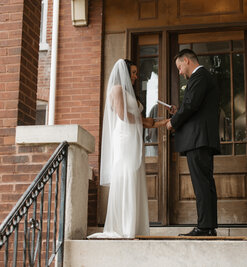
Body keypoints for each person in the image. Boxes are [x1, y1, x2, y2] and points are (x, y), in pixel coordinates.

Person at [88, 59, 167, 239]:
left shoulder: (129, 92)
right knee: (126, 174)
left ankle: (134, 225)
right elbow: (123, 116)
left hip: (134, 137)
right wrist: (147, 121)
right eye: (133, 72)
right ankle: (124, 226)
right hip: (124, 138)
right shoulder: (116, 90)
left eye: (136, 73)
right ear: (123, 72)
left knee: (135, 175)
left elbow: (143, 120)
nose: (136, 76)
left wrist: (164, 122)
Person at [166, 49, 220, 236]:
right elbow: (194, 106)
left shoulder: (200, 76)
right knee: (206, 183)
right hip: (201, 139)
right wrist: (178, 112)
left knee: (202, 184)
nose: (180, 72)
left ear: (187, 61)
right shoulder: (202, 78)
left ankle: (204, 227)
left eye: (180, 67)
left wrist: (173, 122)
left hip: (198, 140)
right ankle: (209, 226)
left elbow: (191, 105)